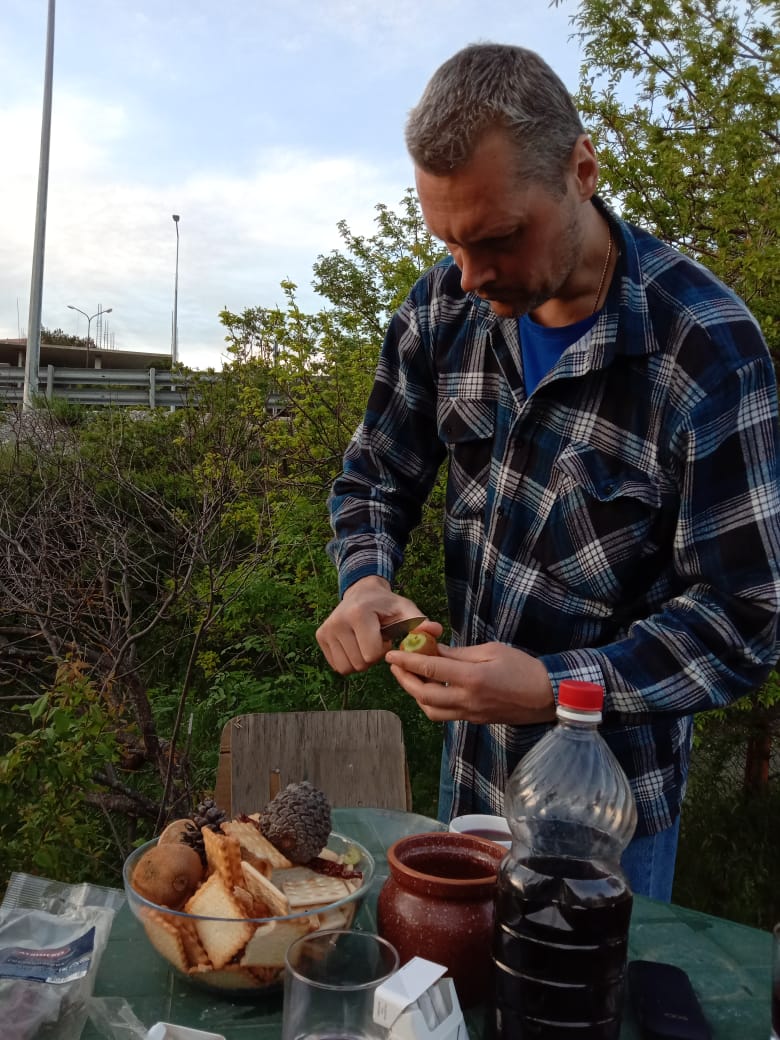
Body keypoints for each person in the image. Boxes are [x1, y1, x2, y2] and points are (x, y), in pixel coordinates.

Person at [315, 43, 780, 901]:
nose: (471, 275)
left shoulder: (706, 352)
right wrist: (366, 579)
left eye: (498, 238)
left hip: (609, 819)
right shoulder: (440, 311)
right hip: (470, 781)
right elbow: (375, 475)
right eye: (449, 242)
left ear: (582, 171)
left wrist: (558, 689)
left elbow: (744, 619)